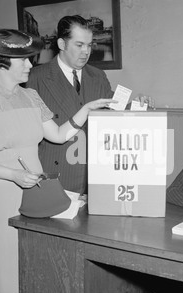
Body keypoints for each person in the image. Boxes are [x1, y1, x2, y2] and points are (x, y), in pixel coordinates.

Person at [0, 28, 115, 293]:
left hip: (36, 192)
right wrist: (13, 174)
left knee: (34, 260)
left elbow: (58, 135)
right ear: (2, 64)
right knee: (4, 261)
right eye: (24, 60)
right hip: (1, 193)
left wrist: (85, 110)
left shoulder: (30, 97)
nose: (30, 64)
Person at [26, 15, 154, 194]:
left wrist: (139, 105)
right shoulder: (35, 78)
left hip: (93, 178)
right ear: (62, 44)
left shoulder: (98, 76)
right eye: (79, 45)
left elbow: (113, 106)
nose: (86, 52)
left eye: (89, 45)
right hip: (54, 177)